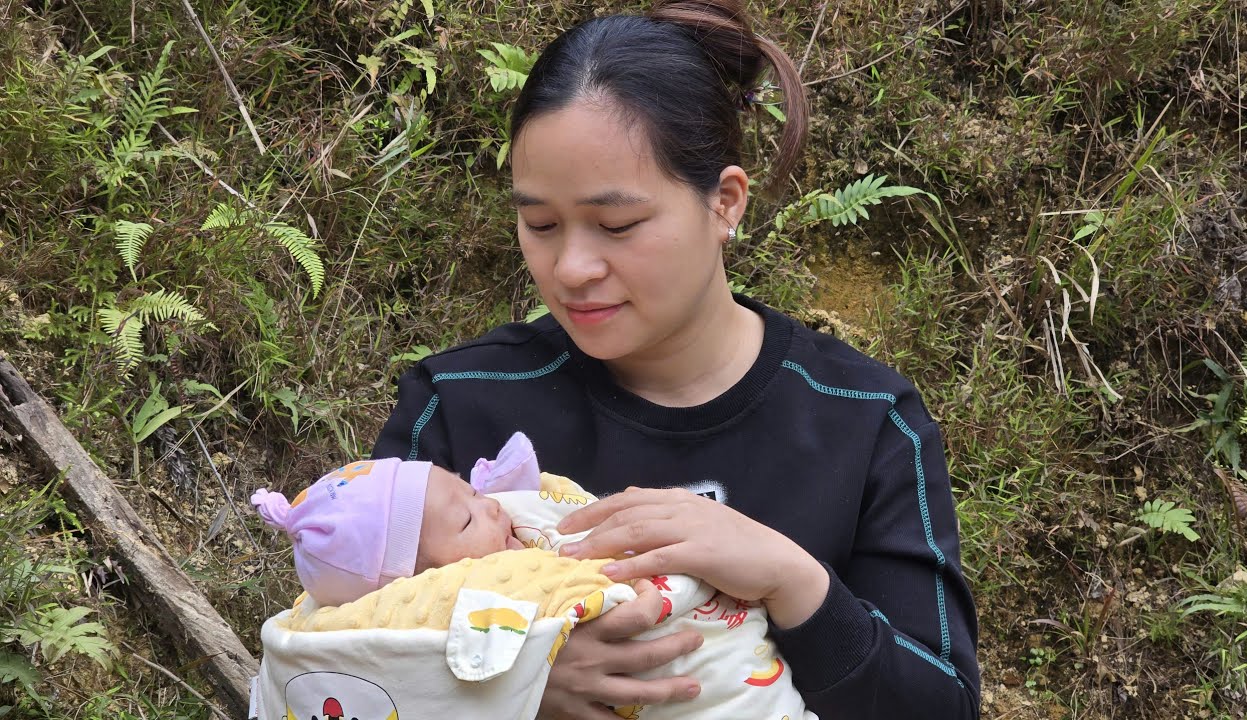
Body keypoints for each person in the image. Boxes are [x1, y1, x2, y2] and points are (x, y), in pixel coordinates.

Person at [370, 0, 981, 717]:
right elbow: (328, 662)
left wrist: (794, 582)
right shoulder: (461, 400)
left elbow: (943, 705)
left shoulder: (865, 421)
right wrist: (507, 687)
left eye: (617, 224)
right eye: (540, 223)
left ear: (725, 203)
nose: (571, 268)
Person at [251, 433, 817, 719]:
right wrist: (518, 682)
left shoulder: (518, 520)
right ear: (415, 582)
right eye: (468, 518)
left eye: (473, 492)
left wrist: (793, 579)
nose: (493, 507)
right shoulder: (466, 591)